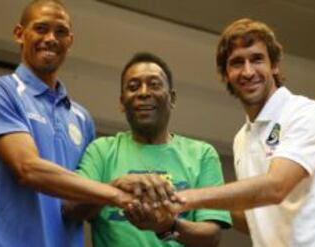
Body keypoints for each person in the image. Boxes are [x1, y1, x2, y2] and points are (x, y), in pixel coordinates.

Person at [176, 18, 315, 247]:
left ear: (274, 65)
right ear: (226, 74)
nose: (248, 71)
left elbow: (276, 187)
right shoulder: (241, 138)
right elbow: (254, 217)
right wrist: (187, 204)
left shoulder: (305, 113)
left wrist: (187, 198)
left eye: (257, 59)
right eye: (237, 63)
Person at [0, 1, 134, 246]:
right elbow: (28, 169)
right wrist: (115, 193)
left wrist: (138, 201)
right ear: (19, 34)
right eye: (41, 28)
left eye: (61, 32)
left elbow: (78, 203)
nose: (51, 38)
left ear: (70, 41)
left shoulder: (81, 118)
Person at [62, 52, 232, 247]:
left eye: (154, 85)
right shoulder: (101, 151)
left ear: (172, 98)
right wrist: (114, 188)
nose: (143, 93)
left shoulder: (202, 155)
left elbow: (211, 237)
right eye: (133, 87)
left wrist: (167, 225)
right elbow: (70, 209)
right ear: (121, 102)